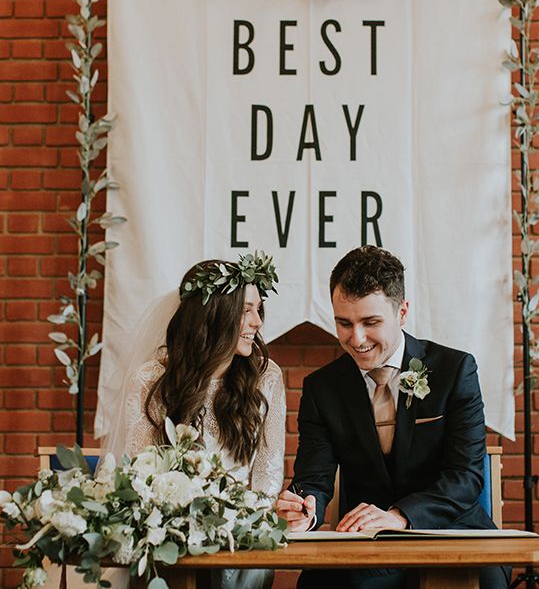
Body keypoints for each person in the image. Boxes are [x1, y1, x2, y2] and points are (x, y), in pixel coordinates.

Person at [275, 246, 510, 589]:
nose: (356, 339)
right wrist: (304, 511)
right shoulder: (321, 388)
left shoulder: (454, 370)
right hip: (366, 543)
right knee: (318, 584)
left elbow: (466, 476)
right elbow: (314, 479)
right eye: (344, 323)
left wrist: (400, 516)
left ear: (402, 312)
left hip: (455, 531)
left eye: (371, 322)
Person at [107, 252, 285, 589]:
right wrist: (186, 526)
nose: (258, 322)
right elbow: (140, 474)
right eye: (246, 311)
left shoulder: (265, 377)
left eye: (258, 310)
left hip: (242, 538)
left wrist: (234, 526)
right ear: (214, 316)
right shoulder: (151, 380)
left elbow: (267, 476)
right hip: (170, 534)